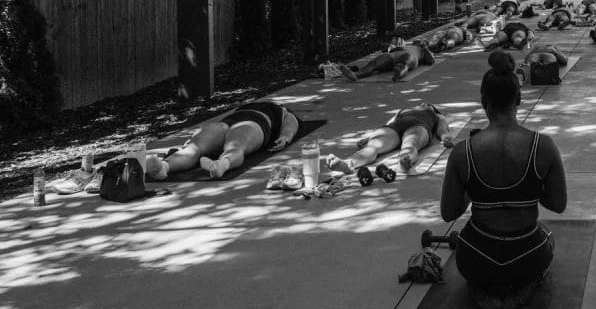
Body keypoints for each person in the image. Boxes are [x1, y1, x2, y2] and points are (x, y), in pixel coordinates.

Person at [441, 52, 568, 309]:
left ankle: (481, 287)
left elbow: (449, 212)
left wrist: (472, 188)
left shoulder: (463, 151)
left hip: (477, 256)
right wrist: (529, 186)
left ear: (483, 100)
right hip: (527, 256)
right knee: (546, 237)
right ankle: (525, 284)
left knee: (471, 249)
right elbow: (558, 204)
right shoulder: (542, 146)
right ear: (519, 99)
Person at [144, 101, 300, 180]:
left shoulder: (283, 112)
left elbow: (291, 124)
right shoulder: (271, 108)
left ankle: (221, 165)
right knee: (194, 147)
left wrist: (285, 137)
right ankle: (163, 168)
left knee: (237, 144)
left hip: (257, 124)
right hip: (228, 123)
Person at [325, 103, 451, 176]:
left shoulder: (436, 114)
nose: (424, 104)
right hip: (394, 127)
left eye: (429, 104)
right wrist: (369, 137)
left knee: (410, 144)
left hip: (419, 126)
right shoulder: (403, 110)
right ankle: (348, 164)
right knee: (373, 146)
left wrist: (445, 138)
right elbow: (388, 124)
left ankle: (405, 162)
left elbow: (442, 128)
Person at [339, 37, 433, 81]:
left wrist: (424, 47)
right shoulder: (404, 45)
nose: (418, 41)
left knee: (403, 63)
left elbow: (431, 61)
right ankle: (355, 75)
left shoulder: (422, 50)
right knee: (374, 63)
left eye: (424, 41)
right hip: (393, 55)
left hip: (409, 56)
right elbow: (388, 48)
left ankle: (398, 73)